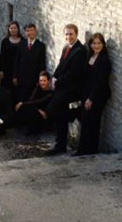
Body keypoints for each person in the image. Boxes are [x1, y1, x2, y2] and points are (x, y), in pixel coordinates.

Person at [43, 24, 87, 155]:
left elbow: (74, 73)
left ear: (76, 34)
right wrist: (53, 78)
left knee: (52, 109)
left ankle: (62, 141)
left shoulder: (80, 51)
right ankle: (60, 145)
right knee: (60, 116)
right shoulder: (66, 48)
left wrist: (58, 81)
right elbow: (60, 65)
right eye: (66, 34)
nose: (68, 36)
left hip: (71, 89)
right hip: (61, 87)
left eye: (71, 34)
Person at [73, 33, 112, 156]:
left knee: (93, 122)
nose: (96, 45)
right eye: (94, 43)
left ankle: (90, 150)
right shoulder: (90, 56)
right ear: (90, 44)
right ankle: (84, 149)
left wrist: (91, 98)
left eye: (99, 43)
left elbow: (101, 82)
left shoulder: (104, 60)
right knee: (86, 121)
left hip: (97, 95)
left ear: (103, 45)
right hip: (87, 92)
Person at [12, 23, 46, 103]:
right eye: (27, 31)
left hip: (34, 78)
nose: (30, 32)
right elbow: (16, 61)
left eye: (31, 30)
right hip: (21, 77)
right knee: (21, 98)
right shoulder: (21, 44)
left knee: (31, 99)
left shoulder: (41, 46)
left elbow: (42, 63)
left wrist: (40, 78)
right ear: (25, 32)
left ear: (35, 31)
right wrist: (14, 76)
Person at [14, 71, 54, 135]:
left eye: (44, 81)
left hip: (45, 116)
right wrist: (38, 110)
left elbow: (40, 101)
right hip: (37, 111)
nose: (42, 83)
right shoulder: (38, 88)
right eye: (41, 81)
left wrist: (22, 103)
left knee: (28, 108)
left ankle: (34, 130)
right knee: (26, 109)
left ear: (48, 81)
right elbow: (31, 101)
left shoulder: (51, 93)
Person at [0, 21, 25, 97]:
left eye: (15, 28)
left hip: (19, 69)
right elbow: (2, 56)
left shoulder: (23, 41)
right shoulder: (5, 41)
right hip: (7, 70)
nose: (13, 30)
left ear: (18, 29)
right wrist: (1, 70)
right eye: (11, 28)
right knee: (7, 90)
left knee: (17, 90)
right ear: (9, 29)